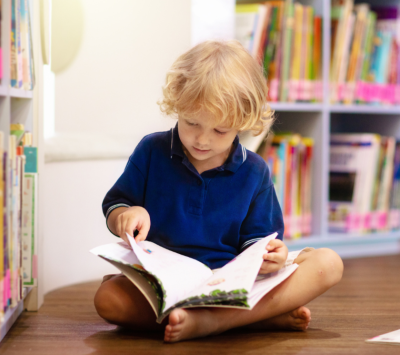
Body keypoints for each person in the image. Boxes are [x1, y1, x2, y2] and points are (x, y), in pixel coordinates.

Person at [94, 40, 343, 343]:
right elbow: (116, 205)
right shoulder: (151, 151)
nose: (202, 139)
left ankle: (212, 320)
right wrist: (126, 214)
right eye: (192, 122)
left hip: (230, 284)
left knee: (328, 263)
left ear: (243, 122)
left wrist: (271, 257)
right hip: (163, 282)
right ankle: (251, 319)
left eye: (220, 130)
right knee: (108, 300)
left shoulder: (255, 171)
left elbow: (260, 244)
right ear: (177, 106)